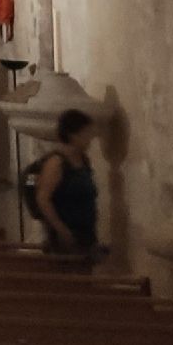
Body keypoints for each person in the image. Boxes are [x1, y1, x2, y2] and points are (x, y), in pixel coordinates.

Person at [30, 107, 100, 257]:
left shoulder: (83, 160)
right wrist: (62, 230)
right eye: (86, 133)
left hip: (85, 234)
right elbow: (43, 199)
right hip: (66, 237)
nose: (90, 138)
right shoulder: (57, 162)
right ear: (73, 135)